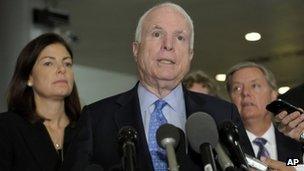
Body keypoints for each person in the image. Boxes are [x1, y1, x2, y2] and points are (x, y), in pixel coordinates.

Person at [68, 2, 252, 171]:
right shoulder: (96, 119)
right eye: (157, 34)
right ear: (135, 49)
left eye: (180, 37)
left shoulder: (223, 115)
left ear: (190, 54)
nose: (168, 45)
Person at [0, 33, 81, 171]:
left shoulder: (86, 127)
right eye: (49, 63)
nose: (62, 69)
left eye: (67, 63)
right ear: (29, 78)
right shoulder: (7, 127)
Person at [225, 62, 302, 166]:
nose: (245, 93)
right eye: (237, 88)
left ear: (273, 94)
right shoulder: (224, 148)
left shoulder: (296, 139)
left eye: (254, 86)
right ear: (230, 98)